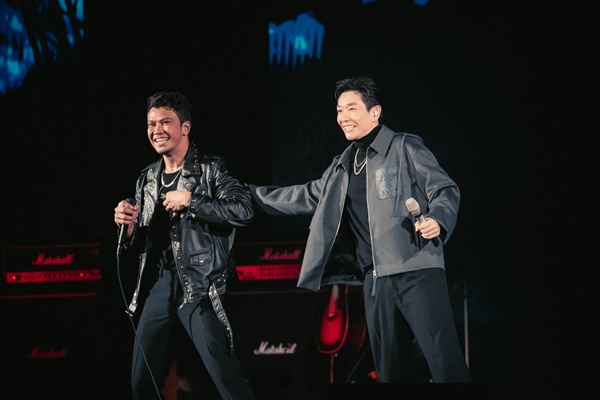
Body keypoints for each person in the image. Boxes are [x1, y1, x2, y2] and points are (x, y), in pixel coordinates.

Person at [248, 77, 471, 383]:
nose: (343, 117)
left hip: (416, 271)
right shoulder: (342, 165)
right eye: (339, 110)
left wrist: (438, 219)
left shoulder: (404, 146)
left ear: (375, 112)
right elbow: (303, 195)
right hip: (375, 281)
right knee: (390, 372)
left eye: (351, 108)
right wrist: (249, 195)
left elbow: (445, 189)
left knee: (445, 363)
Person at [113, 91, 256, 399]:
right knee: (142, 379)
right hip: (161, 284)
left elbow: (243, 210)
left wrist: (192, 201)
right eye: (151, 124)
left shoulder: (212, 169)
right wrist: (129, 227)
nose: (157, 130)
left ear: (185, 127)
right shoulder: (147, 178)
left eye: (166, 122)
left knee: (223, 374)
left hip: (200, 284)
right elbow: (142, 242)